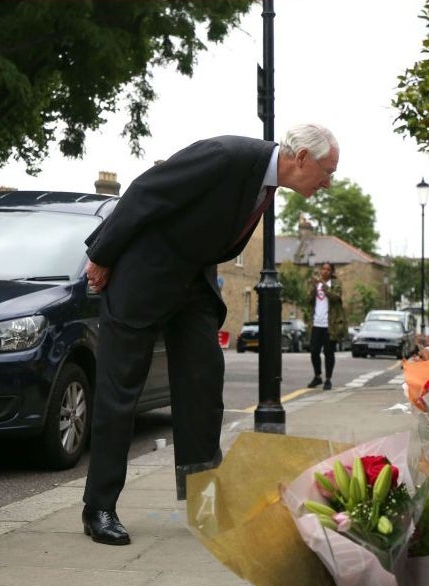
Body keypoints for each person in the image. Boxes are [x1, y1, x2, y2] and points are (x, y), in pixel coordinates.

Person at [81, 123, 339, 545]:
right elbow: (147, 190)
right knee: (119, 393)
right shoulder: (227, 156)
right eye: (328, 171)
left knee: (203, 387)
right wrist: (102, 255)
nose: (329, 182)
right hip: (142, 280)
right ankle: (99, 507)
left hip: (192, 287)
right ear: (303, 158)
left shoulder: (265, 184)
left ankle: (203, 502)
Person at [306, 262, 347, 390]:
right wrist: (314, 288)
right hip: (316, 323)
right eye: (323, 269)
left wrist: (324, 286)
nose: (324, 271)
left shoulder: (335, 284)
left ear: (332, 272)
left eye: (328, 269)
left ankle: (328, 379)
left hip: (330, 325)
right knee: (314, 351)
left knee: (329, 353)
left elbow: (336, 297)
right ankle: (317, 376)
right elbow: (308, 300)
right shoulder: (315, 284)